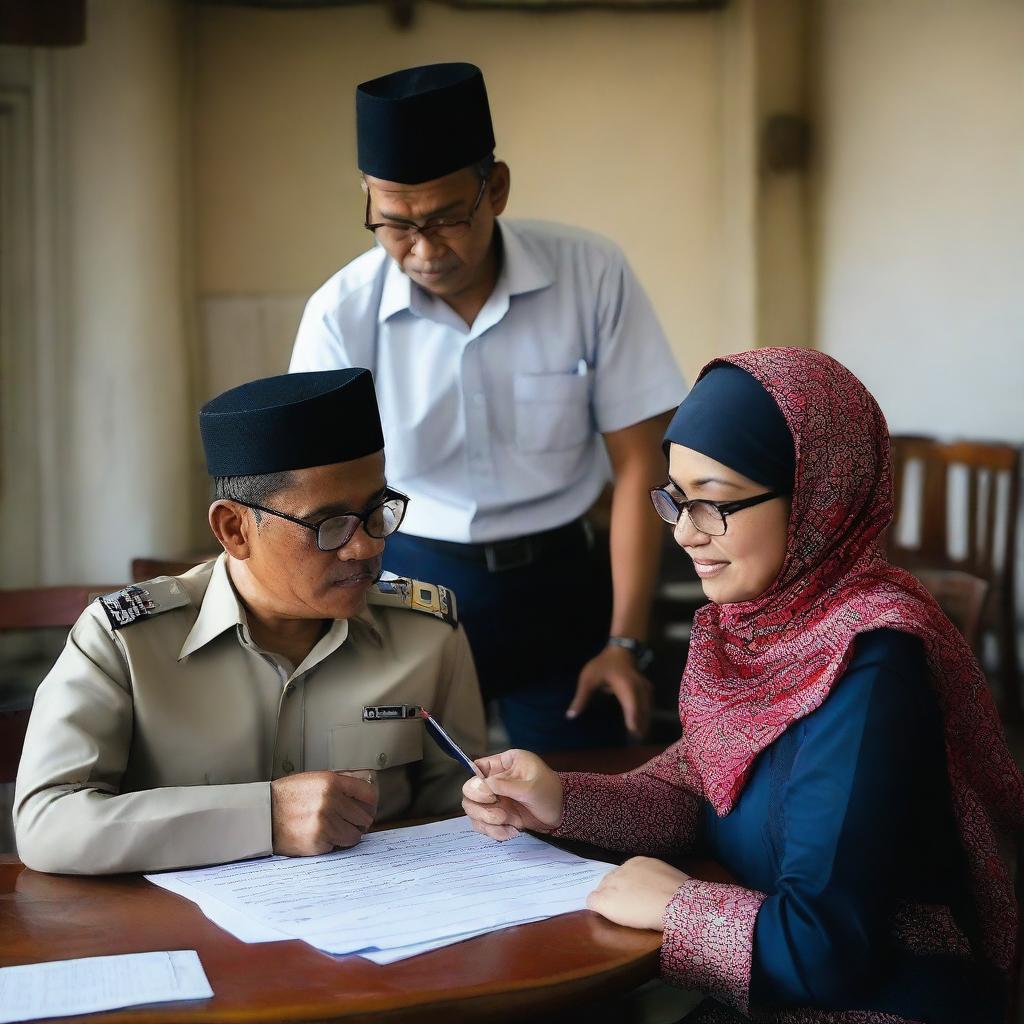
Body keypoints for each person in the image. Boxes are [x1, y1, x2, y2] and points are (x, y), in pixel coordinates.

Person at [462, 347, 1024, 1022]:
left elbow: (827, 950)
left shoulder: (873, 664)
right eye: (674, 500)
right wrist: (556, 801)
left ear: (818, 493)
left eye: (716, 504)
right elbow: (703, 790)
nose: (686, 534)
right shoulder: (752, 629)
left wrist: (676, 907)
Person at [290, 62, 686, 752]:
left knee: (579, 804)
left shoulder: (589, 274)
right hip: (408, 587)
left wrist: (625, 640)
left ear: (494, 189)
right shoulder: (340, 314)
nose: (421, 250)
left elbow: (639, 465)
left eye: (445, 219)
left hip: (560, 588)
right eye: (392, 226)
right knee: (416, 819)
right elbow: (315, 496)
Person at [14, 368, 486, 875]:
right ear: (235, 529)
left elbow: (456, 802)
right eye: (330, 525)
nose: (367, 545)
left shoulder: (427, 634)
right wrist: (267, 816)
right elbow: (47, 824)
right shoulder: (125, 642)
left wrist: (495, 799)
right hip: (185, 937)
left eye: (377, 512)